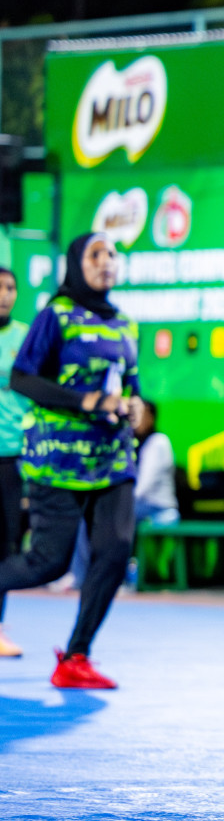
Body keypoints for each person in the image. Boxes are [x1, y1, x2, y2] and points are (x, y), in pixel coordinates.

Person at [0, 234, 144, 690]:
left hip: (113, 458)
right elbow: (22, 379)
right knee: (48, 563)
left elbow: (131, 385)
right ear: (75, 264)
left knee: (116, 551)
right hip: (57, 459)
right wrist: (86, 401)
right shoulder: (55, 316)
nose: (106, 263)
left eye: (112, 256)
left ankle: (76, 656)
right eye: (95, 255)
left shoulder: (125, 324)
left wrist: (138, 408)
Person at [65, 398, 179, 588]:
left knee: (110, 522)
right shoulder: (128, 440)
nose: (135, 418)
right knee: (88, 518)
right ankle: (81, 576)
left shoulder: (158, 442)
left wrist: (113, 504)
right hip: (136, 506)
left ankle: (117, 577)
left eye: (141, 414)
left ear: (150, 417)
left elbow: (142, 488)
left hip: (156, 509)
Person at [0, 267, 30, 658]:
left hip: (11, 456)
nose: (4, 294)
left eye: (10, 287)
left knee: (5, 545)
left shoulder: (25, 338)